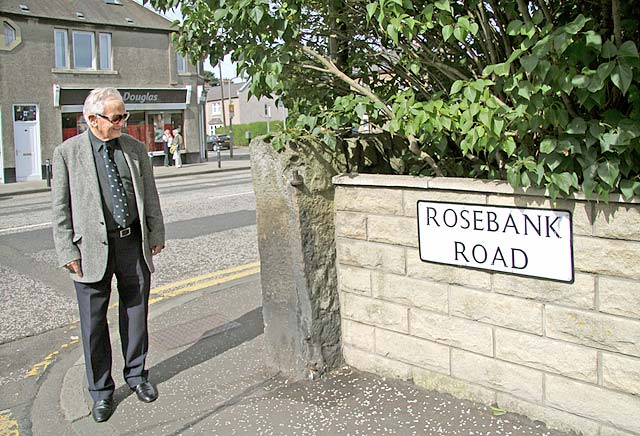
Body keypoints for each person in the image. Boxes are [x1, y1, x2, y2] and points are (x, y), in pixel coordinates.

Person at [51, 87, 165, 423]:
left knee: (135, 312)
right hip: (89, 251)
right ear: (91, 119)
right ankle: (101, 392)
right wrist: (66, 250)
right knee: (93, 325)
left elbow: (150, 194)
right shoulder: (67, 153)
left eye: (123, 116)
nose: (121, 123)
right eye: (114, 118)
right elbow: (59, 209)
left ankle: (136, 376)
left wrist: (155, 232)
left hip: (131, 243)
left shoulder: (134, 149)